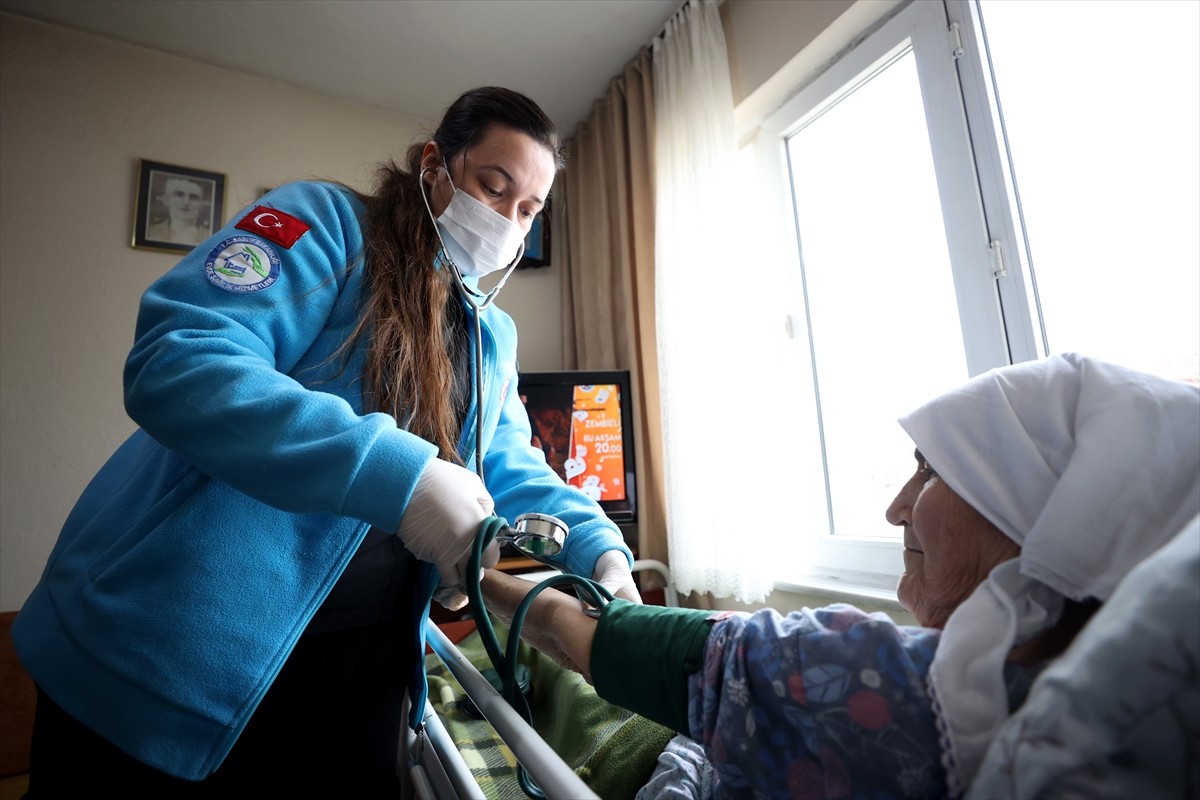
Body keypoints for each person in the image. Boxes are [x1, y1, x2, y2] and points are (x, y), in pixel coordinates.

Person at [13, 86, 640, 796]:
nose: (506, 222)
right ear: (435, 163)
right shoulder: (326, 228)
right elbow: (179, 357)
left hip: (361, 667)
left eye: (527, 211)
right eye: (493, 188)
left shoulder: (488, 335)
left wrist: (604, 556)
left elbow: (511, 462)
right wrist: (399, 477)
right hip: (170, 650)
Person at [480, 353, 1200, 799]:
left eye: (932, 471)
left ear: (1025, 510)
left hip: (652, 743)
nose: (895, 508)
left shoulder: (896, 680)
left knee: (523, 678)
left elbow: (599, 639)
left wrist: (470, 582)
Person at [147, 175, 211, 245]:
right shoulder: (150, 232)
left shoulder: (211, 238)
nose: (186, 202)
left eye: (193, 197)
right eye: (179, 195)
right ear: (165, 200)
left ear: (202, 204)